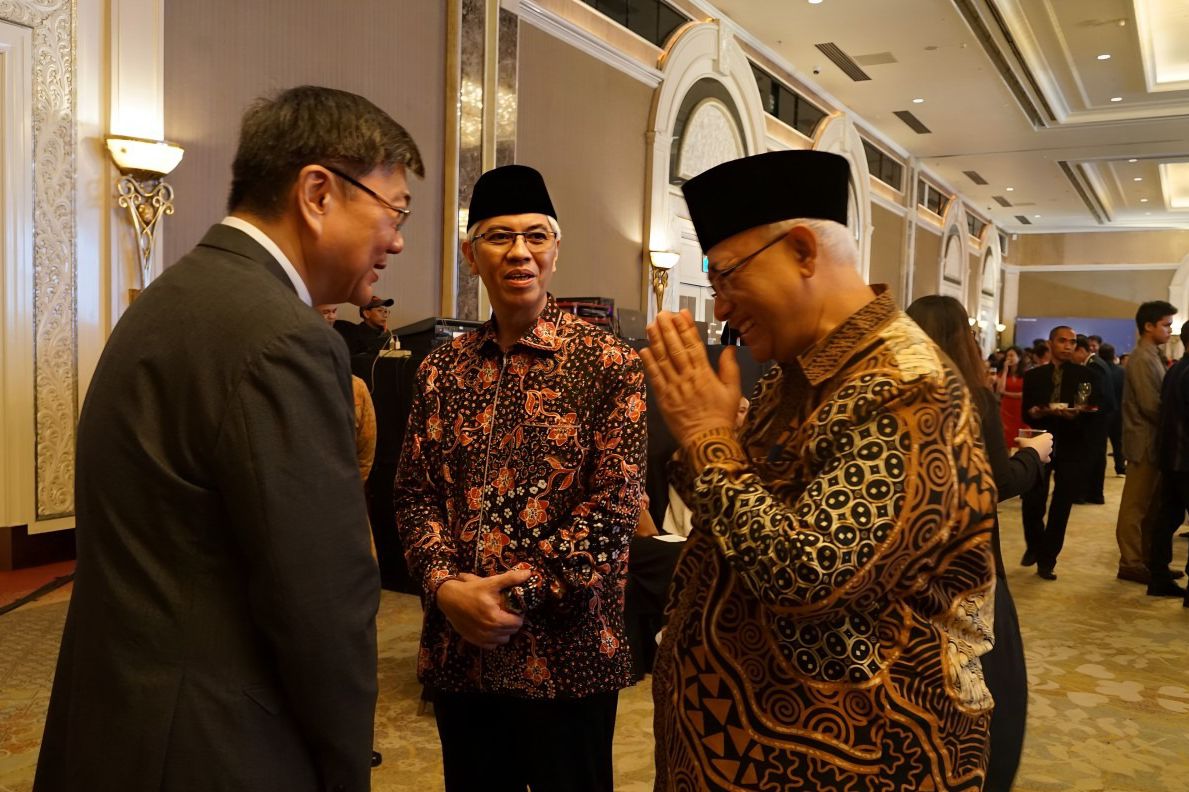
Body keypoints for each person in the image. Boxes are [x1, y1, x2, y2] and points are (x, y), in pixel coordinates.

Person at [34, 86, 422, 791]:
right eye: (394, 210)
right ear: (318, 193)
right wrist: (344, 770)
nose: (396, 238)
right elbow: (320, 605)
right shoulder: (284, 338)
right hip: (217, 747)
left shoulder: (174, 297)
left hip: (122, 724)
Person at [644, 150, 997, 791]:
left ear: (802, 250)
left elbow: (808, 576)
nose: (719, 305)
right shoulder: (800, 373)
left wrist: (708, 440)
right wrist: (708, 445)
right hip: (746, 749)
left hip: (850, 758)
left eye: (725, 277)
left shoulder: (903, 385)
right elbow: (740, 519)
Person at [394, 164, 646, 792]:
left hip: (569, 659)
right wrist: (448, 589)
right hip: (463, 659)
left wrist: (513, 596)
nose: (520, 252)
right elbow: (413, 492)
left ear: (556, 250)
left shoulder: (608, 362)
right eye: (499, 236)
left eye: (536, 235)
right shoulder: (441, 369)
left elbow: (615, 505)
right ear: (470, 254)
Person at [906, 295, 1052, 792]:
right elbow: (997, 484)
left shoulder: (898, 394)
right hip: (971, 559)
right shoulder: (970, 394)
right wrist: (1033, 456)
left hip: (912, 557)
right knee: (990, 670)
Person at [1020, 325, 1102, 579]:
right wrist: (1036, 413)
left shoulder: (1084, 375)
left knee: (1062, 503)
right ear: (1051, 343)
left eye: (1072, 342)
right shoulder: (1035, 376)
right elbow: (1027, 412)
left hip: (1072, 442)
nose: (1067, 346)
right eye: (1062, 341)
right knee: (1032, 499)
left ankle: (1048, 559)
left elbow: (1087, 408)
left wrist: (1074, 414)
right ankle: (1034, 544)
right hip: (1041, 440)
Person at [1116, 301, 1181, 586]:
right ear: (1148, 326)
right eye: (1166, 325)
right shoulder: (1142, 357)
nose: (1169, 330)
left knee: (1151, 507)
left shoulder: (1152, 354)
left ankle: (1145, 559)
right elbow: (1149, 404)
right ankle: (1130, 562)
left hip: (1153, 439)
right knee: (1135, 506)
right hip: (1144, 439)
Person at [1155, 324, 1189, 602]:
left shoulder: (1175, 369)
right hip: (1185, 456)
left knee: (1168, 517)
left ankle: (1159, 576)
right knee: (1168, 517)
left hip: (1170, 455)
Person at [1073, 334, 1114, 504]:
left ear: (1081, 350)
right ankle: (1094, 494)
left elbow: (1094, 394)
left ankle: (1087, 493)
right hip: (1100, 417)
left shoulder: (1093, 366)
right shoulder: (1096, 363)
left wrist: (1080, 405)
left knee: (1091, 456)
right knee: (1096, 455)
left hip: (1096, 418)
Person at [1099, 342, 1127, 475]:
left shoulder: (1098, 371)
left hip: (1102, 413)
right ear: (1113, 355)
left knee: (1100, 443)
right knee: (1118, 442)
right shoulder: (1122, 371)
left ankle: (1098, 469)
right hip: (1119, 412)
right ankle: (1120, 468)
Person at [996, 344, 1027, 448]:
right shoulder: (1003, 373)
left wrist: (1006, 393)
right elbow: (1000, 389)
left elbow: (1024, 394)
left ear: (1019, 357)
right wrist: (1005, 370)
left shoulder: (1026, 374)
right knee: (1006, 434)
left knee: (1021, 433)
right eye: (1007, 356)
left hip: (1020, 407)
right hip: (1006, 407)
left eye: (1012, 355)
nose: (1009, 358)